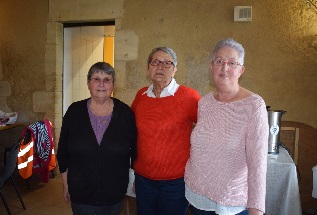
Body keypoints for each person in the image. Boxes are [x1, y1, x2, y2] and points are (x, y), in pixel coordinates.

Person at [184, 38, 269, 215]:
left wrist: (256, 209)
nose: (224, 68)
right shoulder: (205, 102)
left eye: (232, 63)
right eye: (219, 61)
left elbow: (258, 162)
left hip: (230, 200)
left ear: (241, 70)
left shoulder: (254, 105)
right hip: (197, 195)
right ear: (211, 66)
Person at [57, 62, 137, 215]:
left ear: (113, 84)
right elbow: (63, 152)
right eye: (96, 79)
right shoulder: (74, 112)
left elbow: (135, 150)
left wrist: (132, 181)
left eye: (107, 79)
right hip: (80, 192)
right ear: (88, 83)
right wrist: (66, 184)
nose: (101, 84)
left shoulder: (125, 113)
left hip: (113, 194)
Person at [131, 47, 201, 215]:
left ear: (175, 69)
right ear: (148, 68)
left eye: (167, 63)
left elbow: (208, 128)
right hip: (144, 179)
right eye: (155, 62)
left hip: (176, 182)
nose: (160, 67)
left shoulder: (189, 97)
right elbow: (130, 129)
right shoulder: (141, 95)